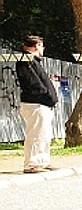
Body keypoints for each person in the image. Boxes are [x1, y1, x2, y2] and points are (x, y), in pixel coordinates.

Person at [16, 35, 59, 174]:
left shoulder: (34, 61)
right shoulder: (26, 60)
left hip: (41, 104)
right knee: (35, 134)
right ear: (35, 46)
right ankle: (31, 163)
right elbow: (33, 83)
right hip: (35, 103)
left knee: (44, 134)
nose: (43, 48)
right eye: (41, 45)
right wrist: (46, 94)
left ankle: (43, 161)